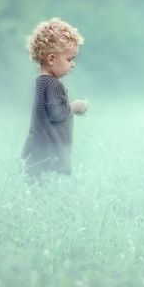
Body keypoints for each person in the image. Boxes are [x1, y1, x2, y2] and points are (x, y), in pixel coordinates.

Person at [21, 18, 89, 177]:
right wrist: (76, 106)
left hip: (36, 153)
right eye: (70, 59)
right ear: (51, 59)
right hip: (52, 158)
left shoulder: (40, 82)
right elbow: (57, 114)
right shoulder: (53, 84)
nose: (73, 64)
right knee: (56, 192)